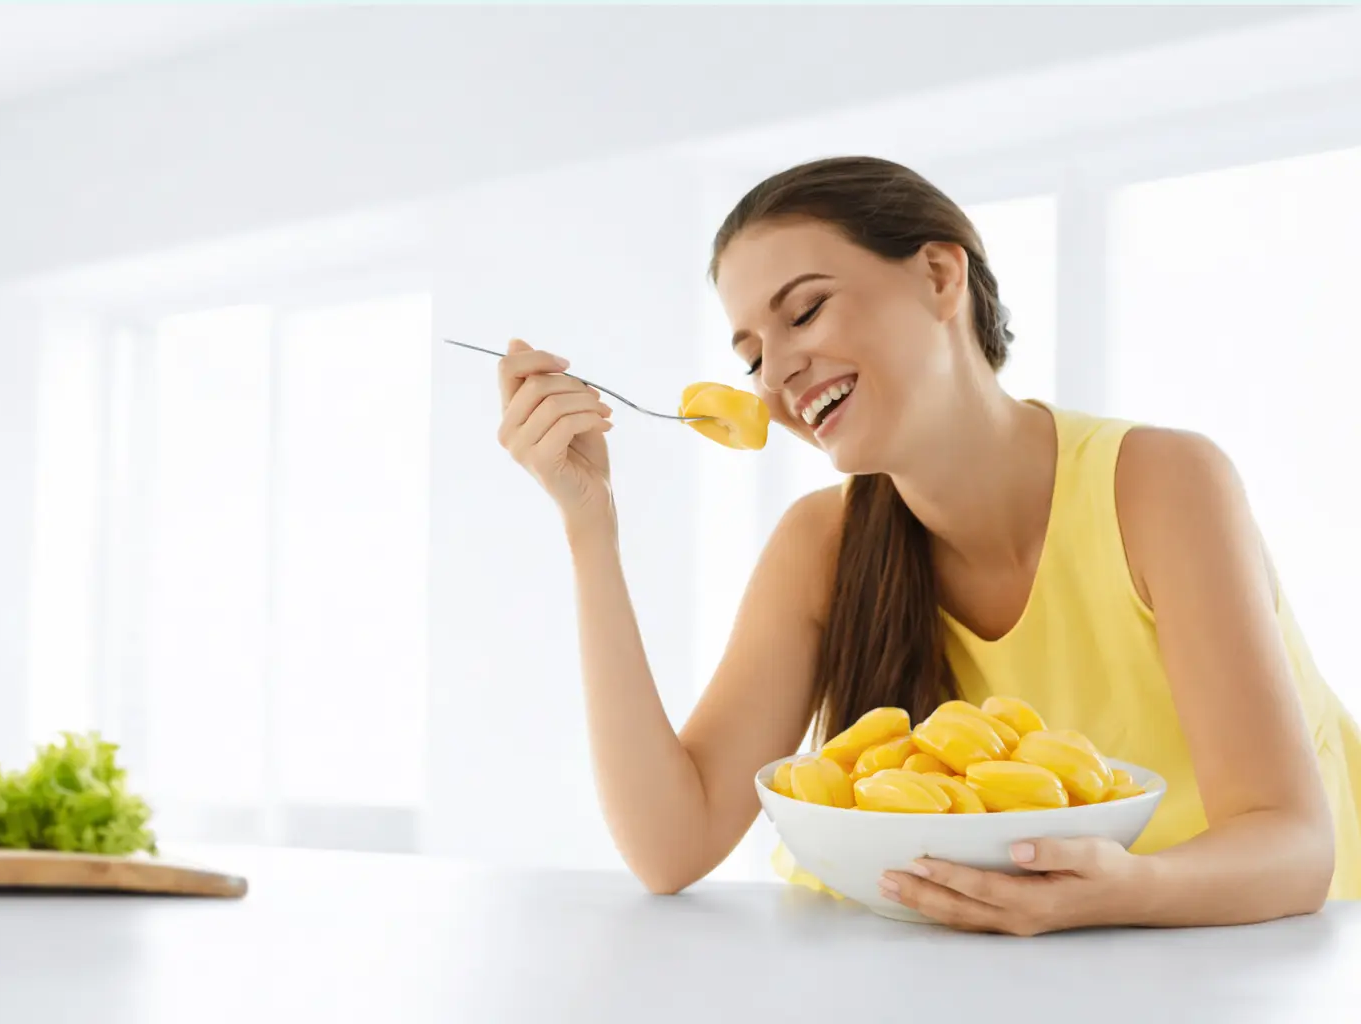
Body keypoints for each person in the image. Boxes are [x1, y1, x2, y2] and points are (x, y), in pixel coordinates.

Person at [491, 156, 1360, 934]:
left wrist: (1106, 893)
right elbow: (669, 845)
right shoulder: (820, 544)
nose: (781, 370)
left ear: (942, 275)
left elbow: (1289, 846)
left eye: (805, 310)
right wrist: (589, 524)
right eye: (753, 355)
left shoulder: (1162, 484)